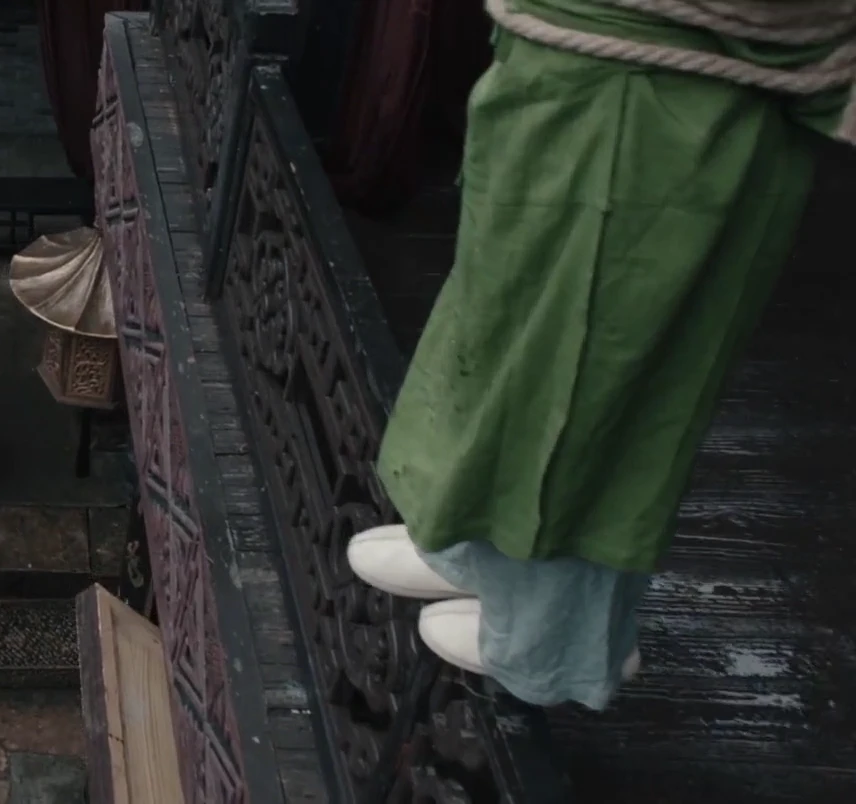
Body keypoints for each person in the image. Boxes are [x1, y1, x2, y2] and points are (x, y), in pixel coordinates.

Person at [346, 0, 856, 709]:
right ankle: (470, 552)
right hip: (574, 49)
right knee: (502, 323)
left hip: (679, 75)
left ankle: (551, 640)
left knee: (599, 374)